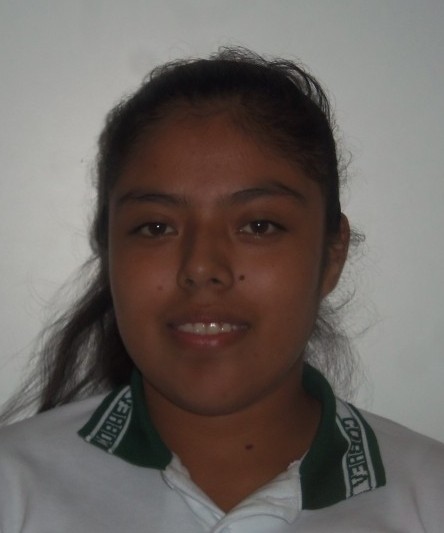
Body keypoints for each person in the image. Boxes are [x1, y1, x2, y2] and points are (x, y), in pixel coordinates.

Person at [0, 47, 443, 532]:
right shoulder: (14, 488)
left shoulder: (428, 495)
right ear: (111, 252)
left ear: (331, 254)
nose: (201, 267)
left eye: (259, 225)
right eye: (155, 227)